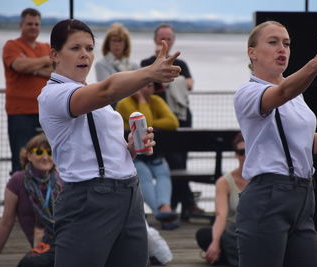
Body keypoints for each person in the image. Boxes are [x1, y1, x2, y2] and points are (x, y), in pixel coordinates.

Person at [37, 19, 181, 267]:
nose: (85, 55)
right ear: (54, 54)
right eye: (75, 48)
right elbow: (108, 90)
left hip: (129, 193)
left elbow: (101, 146)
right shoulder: (53, 95)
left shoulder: (91, 94)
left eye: (89, 48)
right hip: (89, 197)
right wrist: (149, 72)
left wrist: (131, 149)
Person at [233, 21, 317, 267]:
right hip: (268, 197)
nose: (282, 49)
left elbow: (305, 143)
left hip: (302, 196)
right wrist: (313, 66)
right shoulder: (248, 93)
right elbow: (281, 93)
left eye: (286, 44)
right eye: (273, 42)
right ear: (251, 52)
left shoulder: (297, 96)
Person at [141, 24, 204, 220]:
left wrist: (162, 80)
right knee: (173, 163)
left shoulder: (181, 62)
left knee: (180, 162)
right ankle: (185, 204)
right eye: (162, 38)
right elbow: (144, 83)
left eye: (168, 38)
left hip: (180, 119)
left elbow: (190, 84)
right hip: (160, 121)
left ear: (174, 40)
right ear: (154, 39)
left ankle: (179, 205)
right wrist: (174, 79)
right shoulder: (147, 62)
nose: (165, 42)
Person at [0, 133, 61, 267]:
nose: (45, 157)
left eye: (50, 153)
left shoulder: (62, 180)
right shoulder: (18, 181)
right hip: (44, 248)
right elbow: (6, 222)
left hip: (64, 241)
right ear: (29, 156)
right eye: (39, 152)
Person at [116, 82, 180, 230]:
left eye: (150, 85)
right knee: (144, 175)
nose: (147, 88)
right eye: (143, 85)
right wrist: (143, 102)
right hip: (134, 154)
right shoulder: (124, 103)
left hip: (153, 154)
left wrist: (153, 121)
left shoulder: (157, 101)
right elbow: (143, 124)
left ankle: (164, 208)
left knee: (163, 173)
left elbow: (173, 122)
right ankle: (163, 214)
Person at [2, 8, 53, 174]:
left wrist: (31, 68)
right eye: (29, 24)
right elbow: (18, 65)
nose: (33, 27)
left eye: (37, 24)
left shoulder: (46, 47)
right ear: (21, 25)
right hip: (20, 113)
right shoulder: (12, 46)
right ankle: (19, 197)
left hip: (46, 113)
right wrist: (45, 61)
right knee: (21, 160)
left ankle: (46, 197)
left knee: (48, 159)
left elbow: (56, 71)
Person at [195, 133, 248, 266]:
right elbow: (221, 215)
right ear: (235, 154)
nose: (246, 156)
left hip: (257, 231)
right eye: (241, 152)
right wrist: (215, 242)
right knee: (205, 235)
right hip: (233, 232)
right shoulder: (225, 182)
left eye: (249, 151)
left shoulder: (263, 178)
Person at [95, 23, 139, 108]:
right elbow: (108, 91)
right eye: (114, 40)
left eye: (120, 41)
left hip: (135, 107)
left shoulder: (134, 65)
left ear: (126, 43)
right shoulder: (101, 64)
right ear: (108, 43)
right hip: (113, 108)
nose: (117, 44)